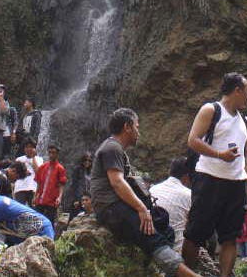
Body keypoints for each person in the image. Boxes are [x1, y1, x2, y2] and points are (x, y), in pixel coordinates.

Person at [93, 107, 200, 277]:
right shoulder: (112, 148)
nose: (138, 132)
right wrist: (142, 209)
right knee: (153, 238)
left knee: (165, 229)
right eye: (137, 126)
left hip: (118, 206)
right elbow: (117, 182)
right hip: (112, 208)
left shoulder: (116, 149)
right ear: (127, 127)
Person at [183, 72, 247, 277]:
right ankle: (186, 273)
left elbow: (246, 155)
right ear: (237, 90)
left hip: (236, 184)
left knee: (230, 237)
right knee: (195, 234)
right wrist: (219, 155)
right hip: (209, 180)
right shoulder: (211, 110)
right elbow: (193, 140)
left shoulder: (245, 120)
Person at [151, 156, 193, 251]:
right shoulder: (189, 195)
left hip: (152, 245)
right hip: (177, 250)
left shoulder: (153, 189)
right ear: (187, 176)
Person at [33, 144, 69, 223]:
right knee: (37, 220)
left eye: (53, 153)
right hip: (41, 199)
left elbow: (61, 184)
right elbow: (39, 183)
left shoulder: (60, 168)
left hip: (52, 200)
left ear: (57, 154)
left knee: (50, 221)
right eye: (50, 152)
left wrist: (59, 197)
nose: (51, 155)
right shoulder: (43, 167)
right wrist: (35, 196)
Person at [62, 152, 93, 220]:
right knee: (75, 217)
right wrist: (75, 199)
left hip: (88, 198)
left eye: (89, 160)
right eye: (85, 160)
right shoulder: (78, 170)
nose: (87, 162)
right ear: (82, 161)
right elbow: (74, 185)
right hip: (78, 198)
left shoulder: (92, 171)